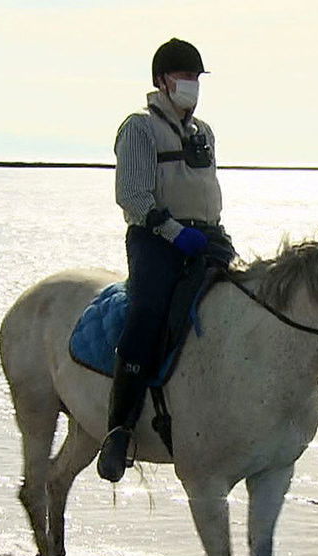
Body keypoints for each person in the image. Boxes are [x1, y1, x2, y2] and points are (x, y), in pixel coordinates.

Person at [98, 38, 234, 482]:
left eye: (196, 77)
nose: (192, 84)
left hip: (206, 236)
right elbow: (133, 197)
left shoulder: (204, 132)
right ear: (161, 81)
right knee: (148, 312)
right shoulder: (138, 128)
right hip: (156, 238)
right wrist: (176, 234)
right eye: (184, 76)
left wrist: (210, 234)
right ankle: (120, 429)